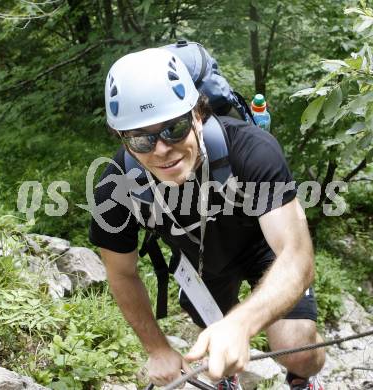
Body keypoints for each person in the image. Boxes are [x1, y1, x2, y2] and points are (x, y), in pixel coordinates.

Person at [89, 47, 326, 390]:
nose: (161, 150)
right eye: (142, 138)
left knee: (298, 349)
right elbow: (122, 274)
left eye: (174, 128)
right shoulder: (115, 187)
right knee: (215, 352)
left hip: (264, 246)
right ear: (124, 141)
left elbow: (297, 256)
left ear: (198, 114)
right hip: (199, 262)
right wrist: (157, 349)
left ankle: (305, 377)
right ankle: (227, 377)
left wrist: (241, 324)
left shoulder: (251, 150)